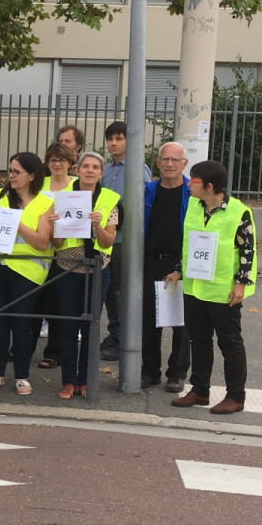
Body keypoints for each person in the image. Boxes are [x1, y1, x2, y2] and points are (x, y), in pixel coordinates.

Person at [164, 160, 255, 415]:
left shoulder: (239, 212)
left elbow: (248, 250)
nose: (189, 183)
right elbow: (189, 242)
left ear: (210, 186)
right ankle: (200, 390)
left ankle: (236, 396)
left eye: (194, 180)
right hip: (195, 287)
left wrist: (241, 284)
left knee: (230, 343)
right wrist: (179, 270)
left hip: (223, 290)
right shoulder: (194, 205)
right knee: (199, 339)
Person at [0, 152, 56, 395]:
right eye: (9, 171)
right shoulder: (0, 196)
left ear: (32, 175)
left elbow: (42, 242)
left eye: (15, 172)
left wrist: (16, 221)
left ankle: (22, 376)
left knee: (22, 325)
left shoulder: (45, 202)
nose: (10, 176)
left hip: (26, 272)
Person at [53, 152, 121, 399]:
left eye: (95, 167)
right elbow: (57, 241)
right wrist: (56, 224)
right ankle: (69, 381)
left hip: (97, 269)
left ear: (101, 173)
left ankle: (86, 381)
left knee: (91, 326)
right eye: (86, 167)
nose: (90, 171)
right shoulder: (63, 198)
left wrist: (98, 226)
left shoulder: (110, 198)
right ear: (77, 170)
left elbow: (109, 240)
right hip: (67, 268)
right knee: (68, 326)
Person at [99, 120, 152, 361]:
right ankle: (115, 333)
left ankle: (122, 338)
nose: (113, 143)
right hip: (104, 239)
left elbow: (138, 206)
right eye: (111, 138)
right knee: (110, 289)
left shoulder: (138, 169)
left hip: (124, 239)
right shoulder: (106, 169)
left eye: (119, 138)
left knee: (119, 289)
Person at [141, 142, 191, 393]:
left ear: (184, 164)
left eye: (175, 160)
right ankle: (150, 372)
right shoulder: (147, 191)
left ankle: (177, 374)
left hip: (182, 264)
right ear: (158, 163)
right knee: (150, 320)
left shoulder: (193, 193)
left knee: (182, 323)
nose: (170, 164)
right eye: (165, 159)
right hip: (151, 261)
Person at [32, 142, 77, 369]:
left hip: (66, 252)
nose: (57, 164)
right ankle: (24, 347)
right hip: (39, 250)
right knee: (35, 302)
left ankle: (54, 351)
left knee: (58, 305)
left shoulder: (78, 186)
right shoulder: (41, 184)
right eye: (53, 160)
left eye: (62, 160)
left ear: (71, 163)